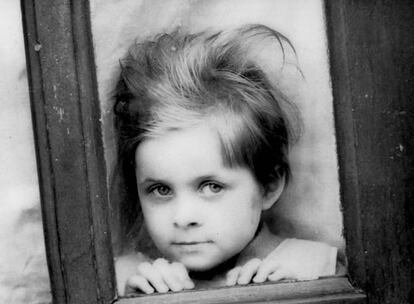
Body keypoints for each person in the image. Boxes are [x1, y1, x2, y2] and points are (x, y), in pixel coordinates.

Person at [112, 24, 338, 296]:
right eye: (161, 190)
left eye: (211, 186)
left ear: (268, 185)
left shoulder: (316, 268)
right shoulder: (123, 280)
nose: (183, 218)